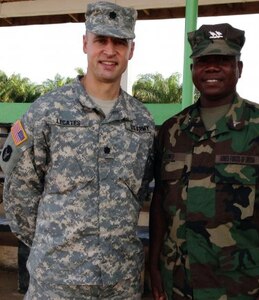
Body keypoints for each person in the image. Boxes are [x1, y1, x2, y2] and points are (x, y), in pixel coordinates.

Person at [0, 1, 154, 299]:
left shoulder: (142, 121)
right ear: (86, 44)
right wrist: (55, 246)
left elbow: (140, 190)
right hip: (56, 282)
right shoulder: (47, 111)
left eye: (120, 42)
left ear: (130, 50)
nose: (110, 51)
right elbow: (19, 192)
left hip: (119, 283)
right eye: (101, 40)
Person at [149, 23, 259, 300]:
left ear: (239, 69)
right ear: (193, 69)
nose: (212, 68)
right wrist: (154, 263)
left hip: (243, 286)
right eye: (203, 61)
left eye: (223, 61)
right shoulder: (172, 130)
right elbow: (161, 201)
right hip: (178, 283)